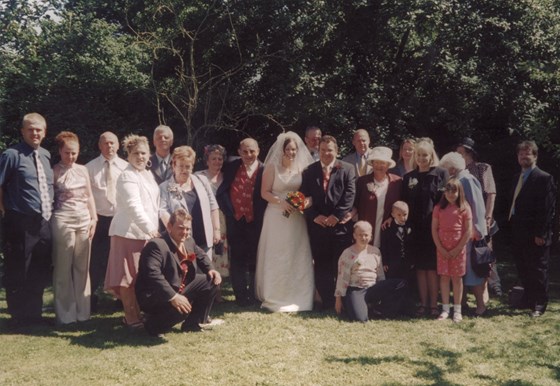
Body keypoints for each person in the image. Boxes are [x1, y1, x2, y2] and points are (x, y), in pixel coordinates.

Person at [0, 113, 53, 325]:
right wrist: (5, 211)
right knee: (18, 267)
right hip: (19, 221)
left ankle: (35, 314)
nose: (35, 133)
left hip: (43, 222)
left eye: (39, 129)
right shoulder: (11, 155)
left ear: (45, 132)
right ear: (22, 131)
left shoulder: (46, 155)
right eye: (30, 129)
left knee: (39, 267)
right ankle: (18, 317)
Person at [136, 208, 221, 336]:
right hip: (156, 296)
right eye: (180, 228)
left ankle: (192, 324)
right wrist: (173, 297)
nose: (185, 232)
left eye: (187, 229)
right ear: (169, 226)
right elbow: (153, 275)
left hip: (179, 287)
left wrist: (211, 269)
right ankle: (152, 325)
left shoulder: (189, 240)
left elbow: (201, 255)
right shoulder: (156, 245)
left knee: (211, 281)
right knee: (182, 309)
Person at [255, 132, 315, 312]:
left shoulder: (302, 169)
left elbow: (310, 193)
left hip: (296, 218)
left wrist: (304, 202)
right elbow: (264, 192)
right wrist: (282, 203)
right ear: (281, 150)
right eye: (288, 149)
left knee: (296, 253)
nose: (291, 152)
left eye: (294, 149)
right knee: (277, 253)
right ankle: (275, 294)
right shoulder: (272, 167)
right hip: (275, 216)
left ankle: (299, 295)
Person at [105, 134, 160, 329]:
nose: (140, 157)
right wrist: (150, 230)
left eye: (144, 153)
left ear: (149, 154)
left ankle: (136, 314)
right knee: (127, 278)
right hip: (127, 233)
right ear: (128, 154)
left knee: (138, 278)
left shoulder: (147, 174)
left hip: (144, 234)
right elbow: (133, 206)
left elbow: (154, 206)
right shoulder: (127, 175)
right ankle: (130, 317)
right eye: (136, 153)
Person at [301, 135, 356, 309]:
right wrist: (314, 216)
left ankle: (341, 301)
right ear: (318, 151)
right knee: (321, 266)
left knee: (339, 266)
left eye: (330, 150)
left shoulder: (347, 168)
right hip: (318, 226)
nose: (326, 153)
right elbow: (302, 197)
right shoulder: (310, 171)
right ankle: (326, 301)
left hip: (340, 227)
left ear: (337, 151)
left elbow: (349, 195)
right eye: (323, 150)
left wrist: (336, 216)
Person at [51, 131, 97, 325]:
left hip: (84, 220)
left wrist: (94, 218)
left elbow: (89, 196)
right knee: (63, 267)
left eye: (74, 153)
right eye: (67, 152)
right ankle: (66, 315)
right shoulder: (54, 170)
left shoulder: (83, 170)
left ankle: (83, 312)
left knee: (82, 267)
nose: (70, 157)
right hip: (63, 220)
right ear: (60, 151)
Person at [401, 138, 448, 318]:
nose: (421, 158)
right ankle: (423, 304)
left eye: (425, 155)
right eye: (418, 155)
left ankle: (434, 305)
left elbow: (444, 202)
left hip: (434, 229)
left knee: (433, 268)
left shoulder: (441, 174)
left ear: (431, 156)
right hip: (415, 230)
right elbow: (404, 204)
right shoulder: (409, 177)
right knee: (420, 268)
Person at [508, 140, 556, 317]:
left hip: (535, 234)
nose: (523, 156)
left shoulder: (544, 178)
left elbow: (547, 209)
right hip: (518, 232)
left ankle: (539, 303)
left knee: (538, 269)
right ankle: (527, 299)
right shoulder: (516, 177)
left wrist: (540, 233)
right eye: (521, 154)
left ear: (535, 156)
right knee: (523, 267)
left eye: (527, 153)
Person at [217, 138, 266, 306]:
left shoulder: (265, 169)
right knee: (237, 259)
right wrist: (230, 212)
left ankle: (253, 294)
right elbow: (221, 189)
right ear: (239, 152)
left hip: (256, 222)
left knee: (254, 259)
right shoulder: (231, 166)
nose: (249, 155)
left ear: (258, 151)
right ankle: (240, 296)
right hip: (236, 220)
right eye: (245, 151)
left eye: (252, 151)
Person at [440, 152, 488, 317]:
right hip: (460, 233)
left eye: (446, 169)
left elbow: (477, 205)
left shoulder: (467, 180)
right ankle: (463, 303)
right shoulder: (458, 180)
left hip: (470, 234)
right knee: (462, 272)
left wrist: (478, 230)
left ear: (452, 169)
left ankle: (481, 305)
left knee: (472, 270)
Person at [86, 132, 129, 312]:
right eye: (105, 143)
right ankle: (90, 298)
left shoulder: (127, 167)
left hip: (121, 219)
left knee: (121, 261)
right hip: (100, 220)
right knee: (96, 261)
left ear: (118, 145)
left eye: (112, 143)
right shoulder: (89, 168)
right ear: (99, 145)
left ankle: (122, 298)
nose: (109, 146)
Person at [455, 137, 502, 296]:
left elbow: (491, 193)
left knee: (484, 252)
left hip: (481, 216)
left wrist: (487, 217)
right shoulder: (456, 170)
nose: (458, 154)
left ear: (469, 152)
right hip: (463, 219)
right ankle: (468, 288)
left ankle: (494, 285)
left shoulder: (483, 168)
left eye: (460, 151)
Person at [334, 221, 406, 322]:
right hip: (356, 289)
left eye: (366, 235)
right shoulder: (347, 253)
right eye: (360, 235)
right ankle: (358, 307)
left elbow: (380, 274)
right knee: (360, 319)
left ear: (371, 236)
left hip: (372, 288)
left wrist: (383, 291)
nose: (363, 238)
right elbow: (342, 278)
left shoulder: (375, 251)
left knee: (401, 284)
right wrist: (338, 299)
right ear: (354, 235)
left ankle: (378, 310)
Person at [159, 146, 220, 260]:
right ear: (173, 166)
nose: (184, 170)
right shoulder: (164, 187)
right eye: (180, 166)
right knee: (184, 273)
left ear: (192, 167)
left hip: (204, 238)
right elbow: (163, 211)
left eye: (187, 166)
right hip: (181, 239)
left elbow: (213, 206)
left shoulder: (202, 180)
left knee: (206, 273)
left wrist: (216, 231)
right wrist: (173, 232)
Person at [432, 179, 472, 323]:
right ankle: (445, 309)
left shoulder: (465, 208)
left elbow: (468, 230)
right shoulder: (438, 208)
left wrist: (458, 248)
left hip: (458, 249)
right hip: (442, 248)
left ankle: (457, 310)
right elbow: (434, 229)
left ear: (459, 192)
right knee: (444, 278)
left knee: (456, 279)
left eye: (453, 190)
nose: (450, 194)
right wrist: (440, 247)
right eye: (447, 190)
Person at [352, 146, 402, 248]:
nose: (379, 166)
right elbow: (354, 204)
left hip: (387, 229)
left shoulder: (397, 182)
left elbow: (401, 205)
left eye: (382, 163)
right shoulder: (362, 181)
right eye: (376, 162)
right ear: (372, 164)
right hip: (365, 231)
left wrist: (392, 218)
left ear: (388, 165)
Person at [195, 144, 230, 278]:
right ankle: (205, 282)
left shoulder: (227, 177)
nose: (217, 161)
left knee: (220, 251)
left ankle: (218, 285)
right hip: (204, 217)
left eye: (220, 159)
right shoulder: (198, 176)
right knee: (206, 249)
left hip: (222, 219)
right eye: (213, 158)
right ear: (207, 160)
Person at [380, 201, 413, 280]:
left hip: (406, 263)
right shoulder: (387, 228)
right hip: (392, 262)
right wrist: (385, 262)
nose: (402, 217)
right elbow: (384, 246)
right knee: (392, 282)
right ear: (392, 214)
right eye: (399, 215)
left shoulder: (410, 227)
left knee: (406, 282)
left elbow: (412, 246)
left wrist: (412, 261)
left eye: (405, 215)